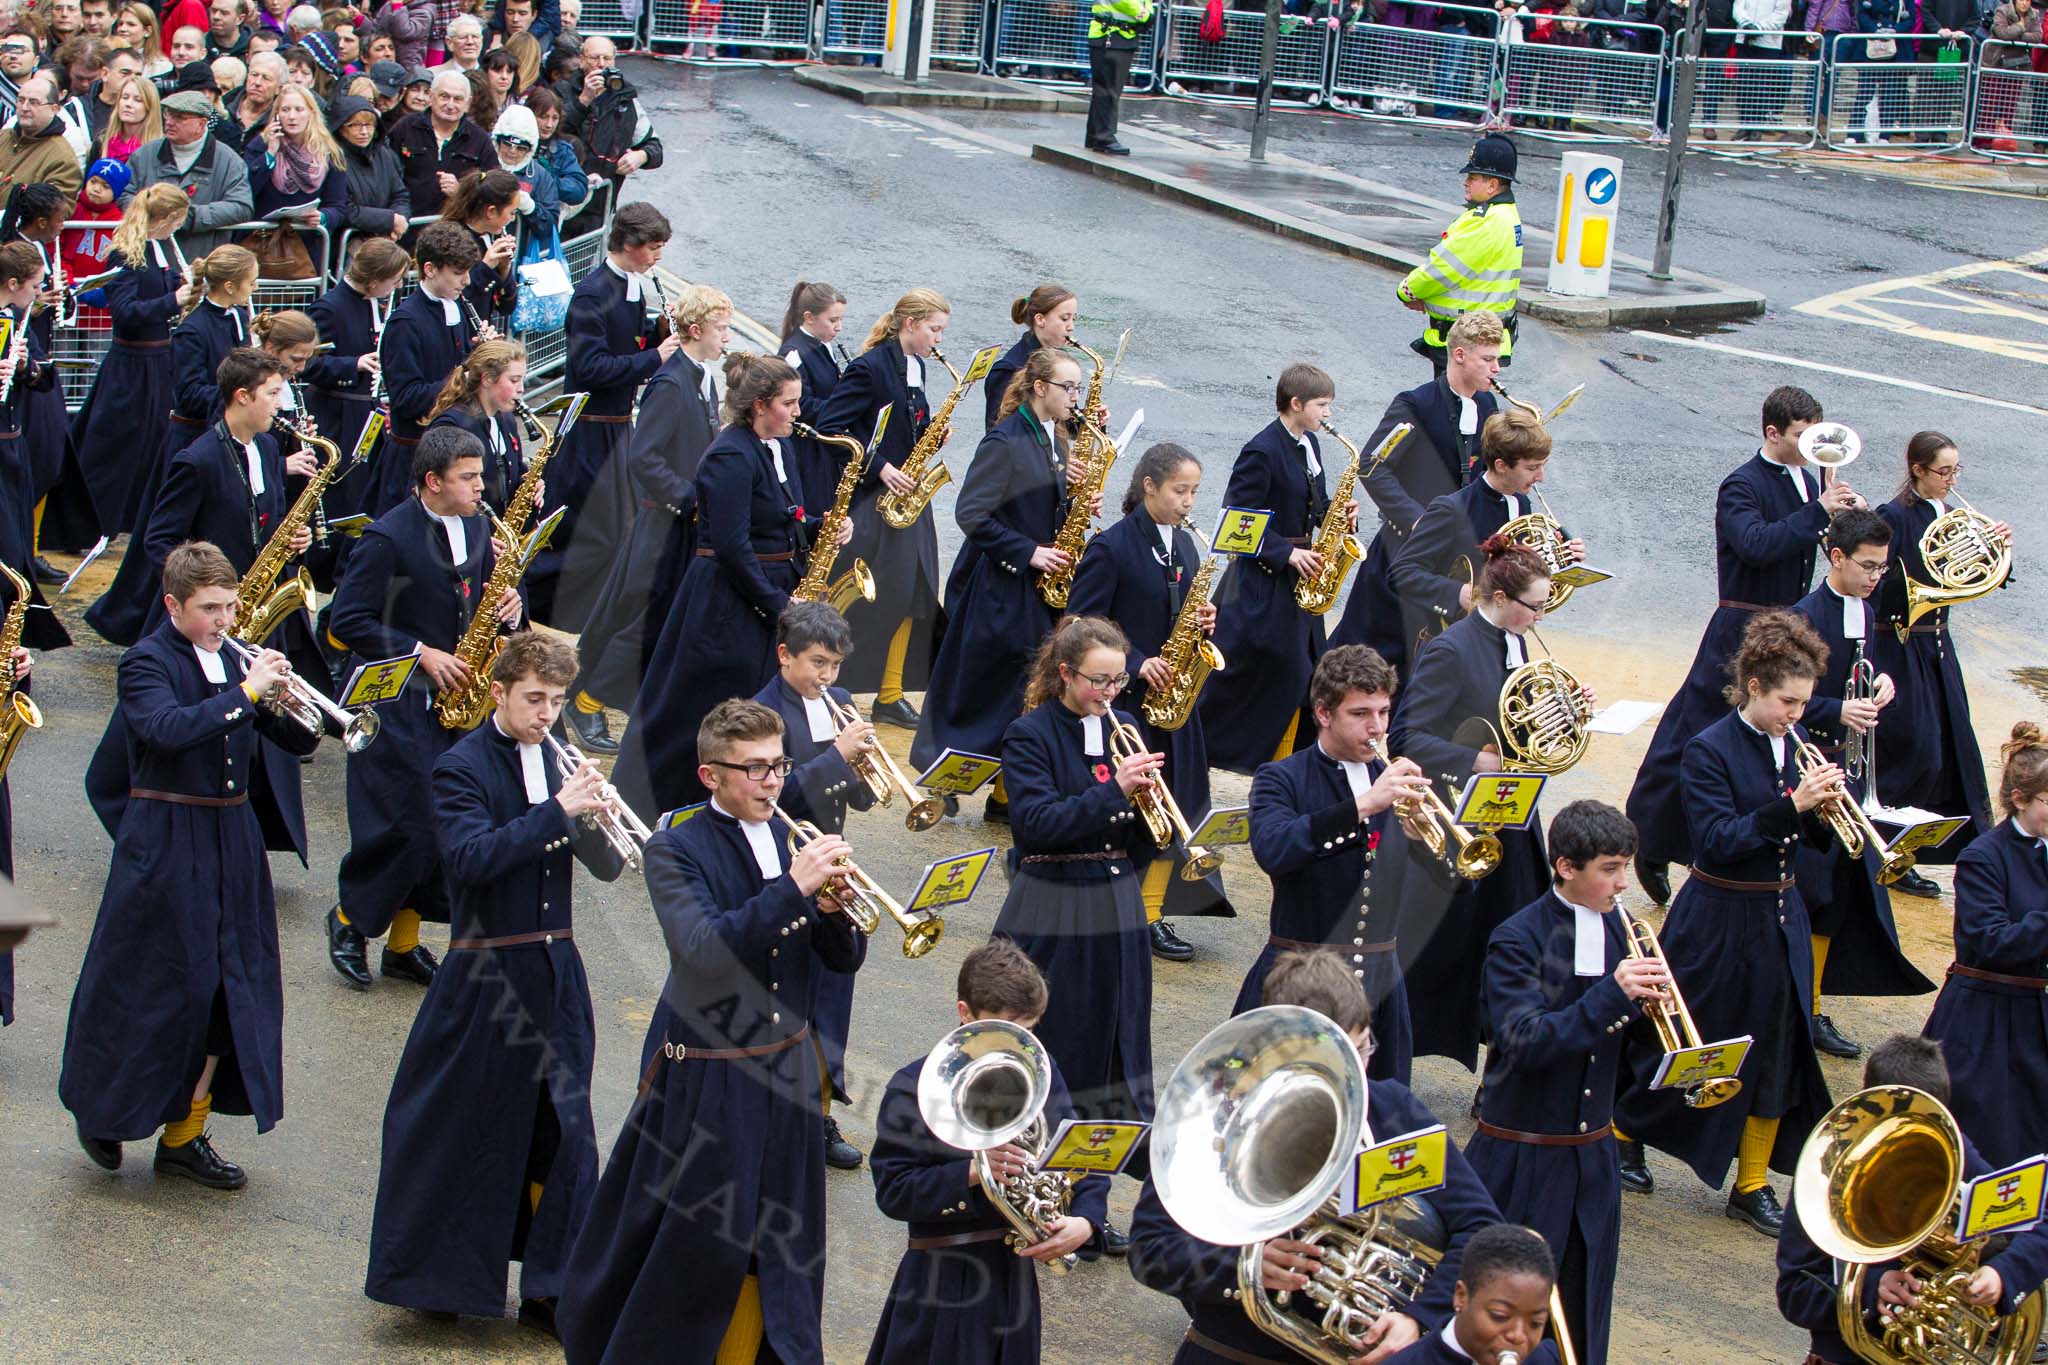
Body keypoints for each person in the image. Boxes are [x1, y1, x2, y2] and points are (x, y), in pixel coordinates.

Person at [556, 697, 866, 1364]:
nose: (771, 780)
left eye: (779, 764)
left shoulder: (793, 835)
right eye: (752, 768)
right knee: (700, 1244)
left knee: (781, 1241)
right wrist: (793, 890)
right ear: (710, 776)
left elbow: (840, 961)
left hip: (788, 1072)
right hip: (711, 1072)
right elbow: (702, 952)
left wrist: (836, 914)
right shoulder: (675, 846)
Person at [364, 632, 626, 1335]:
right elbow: (472, 858)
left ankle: (553, 1285)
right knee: (464, 1129)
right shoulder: (461, 767)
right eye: (534, 699)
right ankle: (440, 1279)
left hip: (555, 967)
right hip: (487, 971)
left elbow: (605, 868)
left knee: (567, 1133)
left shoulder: (560, 759)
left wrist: (596, 814)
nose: (546, 713)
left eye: (556, 700)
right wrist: (556, 812)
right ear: (500, 692)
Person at [59, 542, 320, 1188]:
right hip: (167, 837)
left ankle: (184, 1132)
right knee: (151, 986)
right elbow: (167, 729)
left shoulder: (238, 659)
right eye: (209, 608)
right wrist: (244, 692)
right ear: (174, 605)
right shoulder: (146, 662)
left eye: (229, 606)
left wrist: (290, 703)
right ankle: (105, 1110)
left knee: (231, 987)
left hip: (232, 835)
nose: (225, 620)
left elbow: (295, 740)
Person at [1128, 948, 1503, 1364]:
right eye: (1335, 1060)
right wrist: (1242, 1269)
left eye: (1362, 1048)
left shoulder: (1393, 1110)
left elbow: (1483, 1230)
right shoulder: (1218, 1119)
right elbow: (1151, 1249)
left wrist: (1420, 1318)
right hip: (1233, 1352)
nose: (1356, 1075)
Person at [1613, 611, 1840, 1237]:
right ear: (1755, 687)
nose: (1797, 714)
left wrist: (1823, 813)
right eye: (1787, 702)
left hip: (1778, 912)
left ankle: (1753, 1182)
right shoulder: (1708, 749)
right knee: (1685, 1036)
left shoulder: (1798, 746)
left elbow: (1808, 842)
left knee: (1778, 1047)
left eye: (1803, 703)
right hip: (1717, 912)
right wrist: (1792, 806)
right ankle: (1624, 1134)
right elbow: (1716, 841)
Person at [1627, 386, 1858, 906]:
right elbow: (1755, 545)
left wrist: (1843, 520)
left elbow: (1813, 545)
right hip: (1738, 630)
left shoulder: (1808, 478)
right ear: (1772, 433)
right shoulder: (1741, 484)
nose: (1811, 448)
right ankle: (1651, 840)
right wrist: (1817, 510)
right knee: (1690, 740)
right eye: (1801, 437)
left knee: (1767, 743)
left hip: (1788, 629)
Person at [324, 426, 523, 991]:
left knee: (446, 825)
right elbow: (347, 621)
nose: (482, 487)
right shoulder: (388, 539)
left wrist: (510, 607)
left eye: (480, 475)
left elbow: (487, 596)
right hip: (397, 701)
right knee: (404, 824)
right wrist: (419, 651)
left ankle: (404, 944)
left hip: (459, 701)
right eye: (469, 478)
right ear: (432, 482)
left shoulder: (481, 527)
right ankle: (348, 921)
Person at [1463, 800, 1659, 1365]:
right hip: (1524, 1155)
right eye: (1610, 869)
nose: (1623, 884)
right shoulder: (1516, 939)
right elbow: (1523, 1041)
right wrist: (1612, 997)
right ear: (1567, 866)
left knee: (1584, 1300)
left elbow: (1618, 1052)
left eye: (1627, 867)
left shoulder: (1622, 934)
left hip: (1592, 1156)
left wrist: (1651, 1016)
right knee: (1507, 1315)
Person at [989, 615, 1159, 1256]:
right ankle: (1035, 1196)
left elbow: (1136, 838)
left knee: (1113, 1054)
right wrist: (1116, 793)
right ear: (1065, 674)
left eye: (1119, 681)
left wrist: (1147, 812)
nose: (1111, 694)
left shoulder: (1126, 730)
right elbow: (1035, 825)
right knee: (1058, 1054)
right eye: (1098, 681)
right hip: (1053, 907)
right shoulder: (1029, 734)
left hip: (1115, 908)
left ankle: (1089, 1208)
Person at [864, 938, 1108, 1362]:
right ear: (965, 1014)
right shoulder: (913, 1086)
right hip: (939, 1279)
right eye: (1005, 1030)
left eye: (1028, 1032)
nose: (1021, 1046)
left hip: (1013, 1281)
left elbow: (1076, 1158)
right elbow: (894, 1190)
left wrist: (1086, 1221)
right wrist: (972, 1174)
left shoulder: (1038, 1070)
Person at [1390, 537, 1583, 1071]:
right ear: (1498, 596)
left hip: (1515, 818)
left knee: (1521, 948)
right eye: (1535, 606)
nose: (1542, 617)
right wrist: (1473, 761)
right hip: (1461, 817)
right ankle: (1394, 1059)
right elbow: (1406, 736)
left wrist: (1567, 713)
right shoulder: (1451, 650)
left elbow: (1525, 729)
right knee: (1441, 949)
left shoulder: (1521, 644)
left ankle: (1503, 1071)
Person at [611, 353, 815, 819]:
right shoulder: (729, 453)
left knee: (752, 712)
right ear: (760, 405)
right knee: (697, 712)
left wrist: (823, 527)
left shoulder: (780, 447)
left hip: (764, 592)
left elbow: (784, 518)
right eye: (790, 403)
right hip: (726, 602)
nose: (799, 413)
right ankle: (650, 810)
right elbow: (731, 545)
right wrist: (778, 605)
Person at [1777, 1034, 2048, 1364]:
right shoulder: (1827, 1170)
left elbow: (2038, 1222)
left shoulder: (1952, 1150)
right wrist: (1870, 1288)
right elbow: (1794, 1291)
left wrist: (2004, 1273)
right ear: (1869, 1102)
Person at [1244, 644, 1436, 1082]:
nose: (1377, 727)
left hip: (1381, 977)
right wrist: (1364, 805)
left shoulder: (1397, 778)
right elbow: (1274, 849)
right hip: (1302, 978)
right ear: (1324, 714)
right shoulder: (1281, 778)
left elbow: (1458, 887)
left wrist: (1425, 841)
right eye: (1361, 714)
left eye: (1384, 712)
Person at [911, 346, 1089, 816]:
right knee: (981, 688)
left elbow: (1029, 503)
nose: (1077, 397)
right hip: (1003, 584)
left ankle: (1006, 794)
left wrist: (1072, 504)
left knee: (1025, 688)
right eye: (1069, 387)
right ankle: (943, 781)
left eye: (1078, 387)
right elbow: (971, 512)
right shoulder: (1006, 440)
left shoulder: (1052, 436)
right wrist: (1029, 552)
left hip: (1037, 582)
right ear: (1040, 388)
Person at [1068, 442, 1228, 959]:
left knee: (1176, 801)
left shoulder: (1182, 546)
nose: (1188, 501)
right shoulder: (1111, 547)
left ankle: (1151, 912)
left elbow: (1173, 609)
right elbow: (1081, 623)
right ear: (1149, 487)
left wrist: (1201, 619)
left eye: (1194, 492)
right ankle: (1125, 910)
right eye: (1180, 490)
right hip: (1126, 702)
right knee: (1138, 809)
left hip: (1174, 699)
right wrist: (1135, 662)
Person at [1786, 507, 1934, 1058]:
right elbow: (1783, 700)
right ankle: (1803, 1002)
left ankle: (1817, 1003)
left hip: (1849, 771)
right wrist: (1837, 709)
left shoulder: (1866, 611)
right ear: (1837, 557)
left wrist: (1882, 684)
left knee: (1840, 895)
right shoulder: (1802, 617)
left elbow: (1862, 669)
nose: (1877, 577)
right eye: (1868, 566)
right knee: (1814, 892)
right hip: (1810, 770)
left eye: (1883, 567)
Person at [568, 281, 727, 753]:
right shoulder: (670, 381)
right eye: (720, 329)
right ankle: (587, 705)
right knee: (642, 620)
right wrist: (686, 498)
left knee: (660, 622)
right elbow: (644, 456)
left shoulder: (700, 375)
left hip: (679, 524)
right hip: (663, 526)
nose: (726, 338)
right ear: (695, 329)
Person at [751, 601, 877, 1172]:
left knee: (833, 993)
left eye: (835, 665)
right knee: (785, 991)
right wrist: (837, 757)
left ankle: (820, 1113)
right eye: (817, 663)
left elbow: (857, 796)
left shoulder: (841, 705)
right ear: (784, 656)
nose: (827, 677)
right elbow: (775, 797)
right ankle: (777, 1108)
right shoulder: (760, 715)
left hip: (830, 857)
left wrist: (866, 770)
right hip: (779, 862)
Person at [85, 242, 258, 647]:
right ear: (231, 285)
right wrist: (240, 395)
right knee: (168, 534)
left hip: (222, 435)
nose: (254, 288)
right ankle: (138, 620)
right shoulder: (193, 330)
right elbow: (189, 393)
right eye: (250, 282)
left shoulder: (239, 314)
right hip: (192, 440)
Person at [1197, 363, 1351, 775]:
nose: (1328, 414)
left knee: (1306, 672)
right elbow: (1236, 522)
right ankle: (1209, 749)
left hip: (1299, 583)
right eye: (1322, 405)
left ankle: (1290, 763)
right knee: (1267, 672)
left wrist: (1337, 514)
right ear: (1296, 403)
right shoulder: (1261, 451)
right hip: (1263, 583)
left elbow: (1310, 504)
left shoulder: (1309, 445)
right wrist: (1287, 554)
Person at [1874, 430, 2009, 887]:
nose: (1951, 480)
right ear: (1917, 469)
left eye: (1956, 470)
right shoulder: (1892, 516)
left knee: (1950, 753)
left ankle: (1907, 856)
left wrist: (1993, 549)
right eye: (1943, 471)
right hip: (1899, 644)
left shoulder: (1952, 516)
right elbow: (1877, 581)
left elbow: (1979, 576)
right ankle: (1884, 849)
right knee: (1915, 752)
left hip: (1937, 648)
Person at [1335, 311, 1502, 677]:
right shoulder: (1415, 404)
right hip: (1402, 551)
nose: (1497, 368)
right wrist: (1417, 521)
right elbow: (1373, 465)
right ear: (1459, 355)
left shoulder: (1490, 407)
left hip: (1452, 562)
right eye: (1488, 359)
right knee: (1363, 664)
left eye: (1497, 359)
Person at [537, 199, 676, 633]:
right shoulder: (593, 293)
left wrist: (657, 334)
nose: (657, 257)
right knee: (583, 527)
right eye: (653, 247)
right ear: (631, 244)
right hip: (588, 431)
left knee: (615, 526)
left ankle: (589, 610)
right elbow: (592, 367)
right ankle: (546, 605)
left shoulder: (633, 285)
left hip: (617, 427)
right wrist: (655, 356)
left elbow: (627, 344)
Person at [812, 287, 953, 716]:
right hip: (874, 500)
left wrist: (932, 432)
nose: (939, 340)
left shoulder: (916, 367)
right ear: (910, 325)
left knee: (917, 592)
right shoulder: (869, 368)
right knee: (878, 598)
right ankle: (837, 687)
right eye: (934, 329)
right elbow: (830, 426)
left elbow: (907, 423)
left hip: (909, 498)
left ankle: (891, 694)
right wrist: (881, 466)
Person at [1920, 725, 2048, 1169]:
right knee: (1983, 1142)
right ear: (2020, 799)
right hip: (1986, 1018)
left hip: (2036, 1015)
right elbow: (1990, 941)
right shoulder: (1983, 857)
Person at [42, 183, 187, 551]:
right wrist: (174, 299)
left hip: (157, 362)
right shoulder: (126, 254)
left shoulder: (159, 249)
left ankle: (132, 523)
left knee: (151, 448)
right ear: (167, 218)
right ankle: (86, 526)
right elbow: (125, 312)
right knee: (109, 450)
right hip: (130, 366)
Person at [1388, 407, 1576, 649]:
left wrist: (1563, 561)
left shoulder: (1521, 503)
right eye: (1532, 468)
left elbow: (1519, 578)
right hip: (1453, 645)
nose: (1541, 476)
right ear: (1501, 465)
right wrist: (1458, 593)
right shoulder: (1452, 509)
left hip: (1505, 639)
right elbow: (1401, 573)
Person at [374, 220, 485, 515]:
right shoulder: (405, 323)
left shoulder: (457, 306)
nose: (467, 281)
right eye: (458, 273)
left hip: (449, 448)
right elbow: (406, 397)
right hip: (413, 454)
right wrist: (465, 378)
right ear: (430, 269)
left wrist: (480, 354)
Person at [1396, 133, 1522, 371]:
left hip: (1466, 341)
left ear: (1492, 185)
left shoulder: (1484, 221)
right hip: (1481, 337)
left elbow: (1443, 269)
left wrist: (1407, 291)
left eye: (1473, 177)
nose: (1465, 182)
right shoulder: (1505, 214)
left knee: (1454, 407)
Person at [302, 234, 407, 497]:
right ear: (373, 282)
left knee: (367, 488)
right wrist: (353, 364)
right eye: (393, 281)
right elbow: (308, 363)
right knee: (344, 492)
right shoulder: (328, 309)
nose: (397, 287)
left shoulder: (371, 301)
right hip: (337, 415)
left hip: (365, 411)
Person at [1381, 1224, 1565, 1365]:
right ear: (1461, 1296)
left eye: (1535, 1324)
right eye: (1499, 1316)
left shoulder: (1547, 1359)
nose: (1518, 1336)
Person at [123, 87, 254, 254]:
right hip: (149, 257)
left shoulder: (229, 161)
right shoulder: (144, 155)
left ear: (201, 123)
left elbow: (241, 207)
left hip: (203, 261)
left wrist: (189, 216)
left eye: (179, 117)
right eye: (167, 114)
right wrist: (150, 211)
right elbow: (124, 194)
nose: (169, 122)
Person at [558, 34, 660, 223]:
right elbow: (553, 131)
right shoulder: (562, 90)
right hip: (565, 199)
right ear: (581, 60)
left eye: (607, 58)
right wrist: (584, 100)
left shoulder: (625, 96)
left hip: (601, 202)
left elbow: (654, 146)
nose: (601, 64)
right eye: (595, 58)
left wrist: (641, 156)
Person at [243, 81, 346, 265]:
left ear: (311, 114)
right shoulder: (260, 145)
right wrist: (270, 154)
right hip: (260, 245)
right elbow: (246, 190)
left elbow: (338, 206)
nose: (292, 116)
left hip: (306, 250)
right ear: (276, 115)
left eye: (299, 109)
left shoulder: (329, 153)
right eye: (285, 110)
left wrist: (323, 217)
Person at [425, 337, 528, 514]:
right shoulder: (452, 424)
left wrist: (527, 484)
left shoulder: (507, 419)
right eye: (514, 380)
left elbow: (514, 472)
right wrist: (477, 536)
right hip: (466, 532)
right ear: (487, 379)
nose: (521, 389)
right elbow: (435, 495)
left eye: (522, 380)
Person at [387, 68, 498, 222]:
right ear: (431, 97)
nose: (450, 105)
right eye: (444, 96)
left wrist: (462, 192)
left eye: (458, 99)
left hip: (456, 231)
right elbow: (385, 176)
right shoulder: (405, 128)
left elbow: (494, 188)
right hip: (407, 227)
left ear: (468, 103)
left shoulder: (480, 140)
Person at [778, 277, 847, 517]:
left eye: (840, 319)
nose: (838, 327)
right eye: (832, 320)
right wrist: (841, 408)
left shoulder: (822, 344)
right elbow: (802, 404)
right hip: (807, 450)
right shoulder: (794, 353)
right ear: (809, 317)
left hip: (824, 444)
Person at [436, 166, 521, 334]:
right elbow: (452, 297)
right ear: (491, 211)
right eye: (511, 213)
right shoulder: (449, 238)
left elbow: (506, 307)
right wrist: (485, 267)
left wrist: (504, 270)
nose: (512, 219)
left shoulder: (491, 237)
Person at [983, 282, 1076, 430]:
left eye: (1073, 319)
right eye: (1065, 319)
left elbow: (1067, 423)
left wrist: (1090, 420)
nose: (1071, 327)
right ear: (1040, 319)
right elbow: (996, 431)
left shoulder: (1061, 360)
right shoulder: (1008, 369)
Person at [0, 74, 85, 199]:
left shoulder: (61, 158)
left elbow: (55, 209)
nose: (25, 108)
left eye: (34, 102)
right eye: (21, 100)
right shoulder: (3, 137)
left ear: (54, 109)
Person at [1085, 0, 1152, 154]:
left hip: (1120, 34)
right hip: (1111, 33)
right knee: (1108, 90)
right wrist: (1145, 15)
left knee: (1105, 89)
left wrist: (1147, 13)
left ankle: (1095, 136)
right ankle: (1104, 138)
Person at [94, 71, 161, 162]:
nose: (128, 104)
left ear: (149, 106)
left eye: (138, 100)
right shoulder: (102, 142)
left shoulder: (160, 148)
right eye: (125, 97)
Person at [225, 49, 284, 149]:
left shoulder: (280, 122)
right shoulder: (223, 106)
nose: (257, 82)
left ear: (278, 88)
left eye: (266, 78)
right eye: (254, 74)